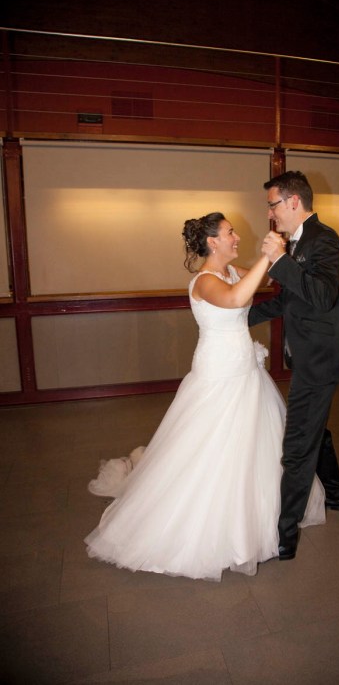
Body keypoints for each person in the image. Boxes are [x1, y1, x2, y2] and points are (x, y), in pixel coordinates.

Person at [85, 212, 325, 581]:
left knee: (250, 446)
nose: (237, 237)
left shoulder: (230, 271)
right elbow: (236, 299)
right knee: (211, 446)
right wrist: (267, 255)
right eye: (230, 233)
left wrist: (277, 259)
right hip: (218, 373)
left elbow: (263, 281)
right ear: (213, 242)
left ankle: (252, 522)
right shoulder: (205, 281)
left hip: (245, 371)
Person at [248, 171, 339, 561]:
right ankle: (336, 493)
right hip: (308, 358)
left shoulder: (325, 240)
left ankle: (285, 533)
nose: (270, 214)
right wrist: (239, 317)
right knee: (314, 430)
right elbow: (289, 300)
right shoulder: (298, 243)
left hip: (320, 363)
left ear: (294, 201)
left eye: (272, 204)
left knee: (296, 447)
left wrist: (278, 259)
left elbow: (322, 296)